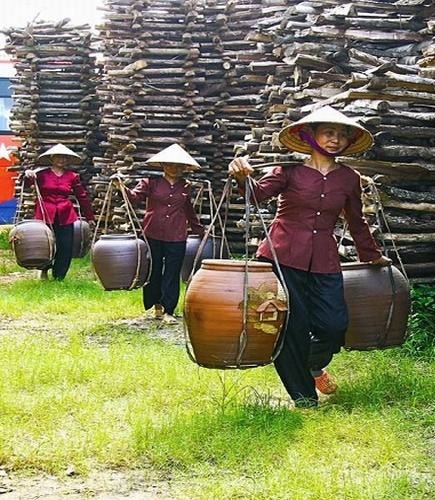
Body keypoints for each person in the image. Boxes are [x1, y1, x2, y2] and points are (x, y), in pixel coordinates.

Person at [228, 106, 391, 408]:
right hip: (281, 256)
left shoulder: (348, 178)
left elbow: (356, 220)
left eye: (342, 135)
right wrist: (242, 177)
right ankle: (303, 398)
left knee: (334, 324)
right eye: (329, 132)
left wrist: (372, 255)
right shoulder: (287, 172)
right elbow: (255, 195)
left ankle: (314, 365)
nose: (335, 139)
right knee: (293, 326)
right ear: (310, 135)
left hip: (324, 260)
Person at [112, 144, 205, 323]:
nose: (175, 168)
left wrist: (199, 229)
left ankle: (169, 310)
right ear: (163, 165)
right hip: (153, 232)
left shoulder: (186, 186)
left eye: (179, 166)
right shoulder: (150, 183)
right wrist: (121, 186)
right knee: (153, 270)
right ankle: (156, 306)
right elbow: (133, 197)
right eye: (170, 165)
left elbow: (188, 209)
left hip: (176, 235)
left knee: (172, 271)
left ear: (184, 168)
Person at [24, 143, 95, 281]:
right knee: (45, 244)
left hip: (65, 214)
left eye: (65, 158)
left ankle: (59, 276)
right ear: (51, 158)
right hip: (45, 213)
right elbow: (26, 185)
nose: (62, 160)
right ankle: (43, 270)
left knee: (65, 245)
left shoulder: (72, 176)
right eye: (59, 157)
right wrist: (27, 175)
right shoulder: (41, 174)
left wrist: (89, 216)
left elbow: (82, 196)